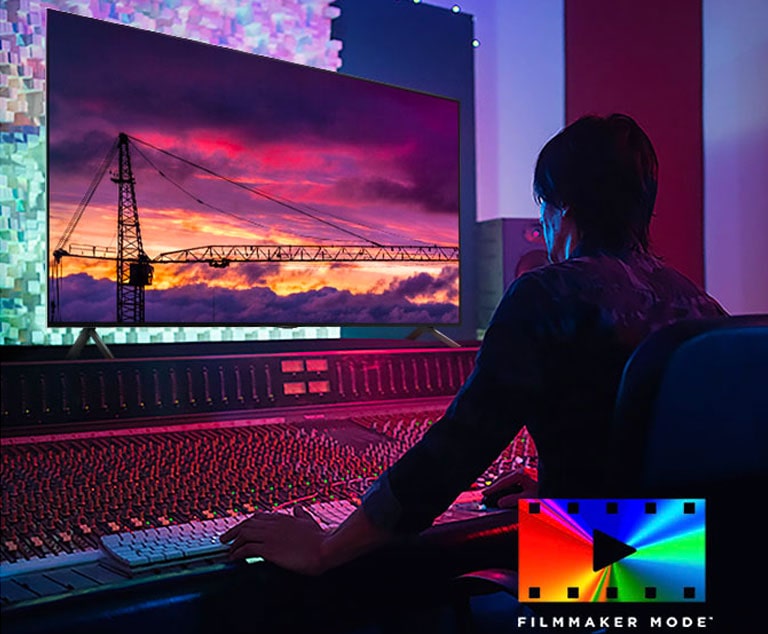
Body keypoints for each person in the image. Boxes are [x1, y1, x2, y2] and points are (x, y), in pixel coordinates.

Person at [221, 113, 727, 575]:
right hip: (692, 571)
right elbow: (674, 456)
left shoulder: (545, 294)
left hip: (601, 585)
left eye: (542, 209)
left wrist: (327, 548)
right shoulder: (699, 304)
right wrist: (565, 489)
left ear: (561, 208)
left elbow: (458, 448)